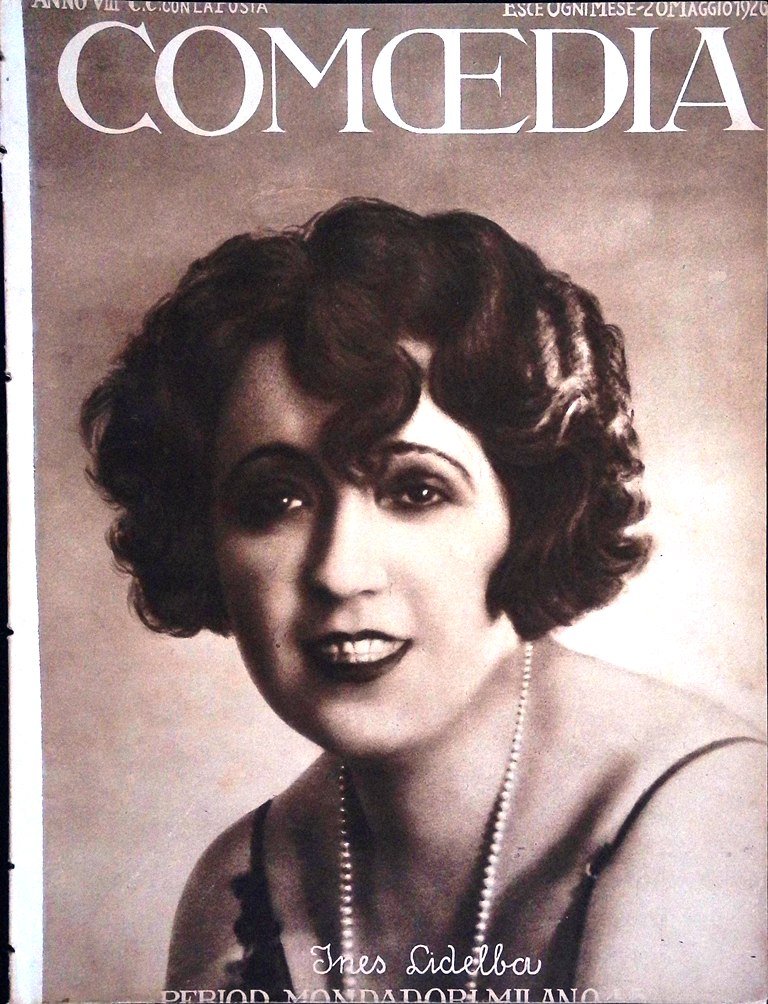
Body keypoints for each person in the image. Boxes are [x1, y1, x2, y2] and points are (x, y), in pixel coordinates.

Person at [81, 199, 765, 1003]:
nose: (340, 571)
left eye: (415, 491)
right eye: (277, 501)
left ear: (531, 512)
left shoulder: (702, 811)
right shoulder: (239, 888)